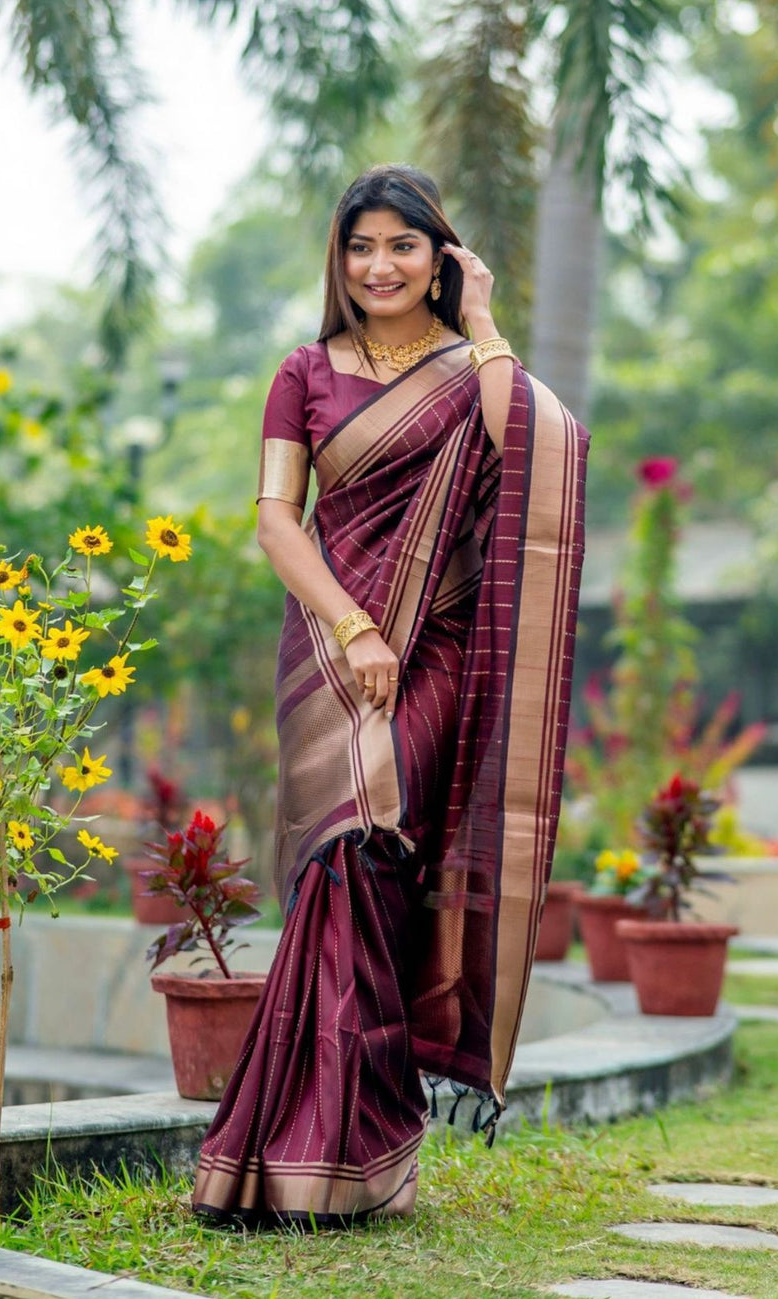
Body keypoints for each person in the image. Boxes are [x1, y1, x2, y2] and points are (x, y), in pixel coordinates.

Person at [193, 164, 589, 1227]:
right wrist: (354, 625)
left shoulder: (473, 373)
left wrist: (487, 320)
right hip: (328, 650)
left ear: (439, 256)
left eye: (402, 246)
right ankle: (321, 1144)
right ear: (340, 258)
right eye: (361, 246)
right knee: (343, 862)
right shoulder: (302, 372)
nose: (379, 265)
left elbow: (542, 457)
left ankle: (337, 1139)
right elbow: (278, 521)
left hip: (442, 650)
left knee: (377, 855)